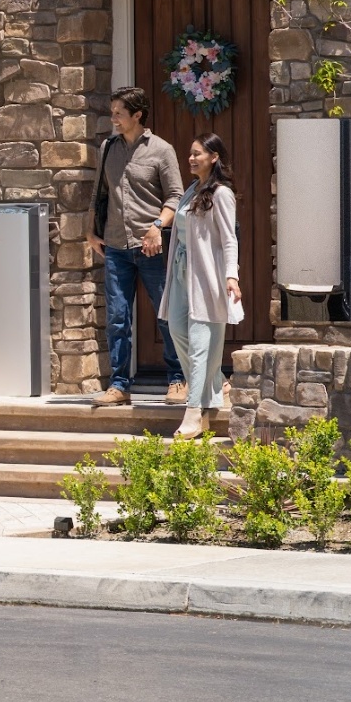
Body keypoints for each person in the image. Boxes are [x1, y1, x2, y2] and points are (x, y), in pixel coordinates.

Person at [86, 87, 187, 406]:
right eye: (112, 112)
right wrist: (90, 231)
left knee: (167, 314)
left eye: (118, 113)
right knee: (116, 316)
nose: (113, 118)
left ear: (137, 115)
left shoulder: (161, 150)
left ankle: (177, 379)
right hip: (115, 245)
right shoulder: (107, 148)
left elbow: (176, 196)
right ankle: (118, 385)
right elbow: (98, 192)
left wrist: (158, 226)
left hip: (152, 247)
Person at [159, 134, 243, 439]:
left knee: (199, 342)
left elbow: (229, 239)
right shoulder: (191, 190)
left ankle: (195, 409)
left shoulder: (222, 194)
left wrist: (231, 276)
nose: (191, 158)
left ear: (214, 157)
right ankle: (218, 381)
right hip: (181, 274)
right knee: (177, 330)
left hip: (207, 277)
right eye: (190, 154)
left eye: (198, 154)